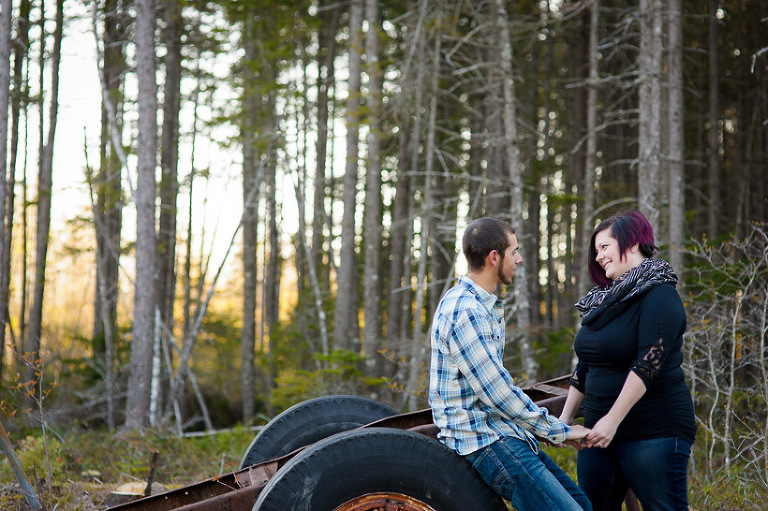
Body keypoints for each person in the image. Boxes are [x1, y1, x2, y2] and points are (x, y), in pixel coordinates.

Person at [429, 217, 592, 511]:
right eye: (514, 251)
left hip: (500, 433)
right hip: (481, 440)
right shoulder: (466, 310)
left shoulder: (479, 304)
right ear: (494, 257)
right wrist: (558, 431)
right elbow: (498, 394)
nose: (518, 259)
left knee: (582, 505)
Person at [559, 210, 696, 511]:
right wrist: (565, 419)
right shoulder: (604, 301)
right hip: (598, 433)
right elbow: (586, 365)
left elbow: (649, 364)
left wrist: (613, 419)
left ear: (632, 243)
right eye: (596, 251)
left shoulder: (659, 293)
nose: (598, 257)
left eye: (605, 247)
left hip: (653, 431)